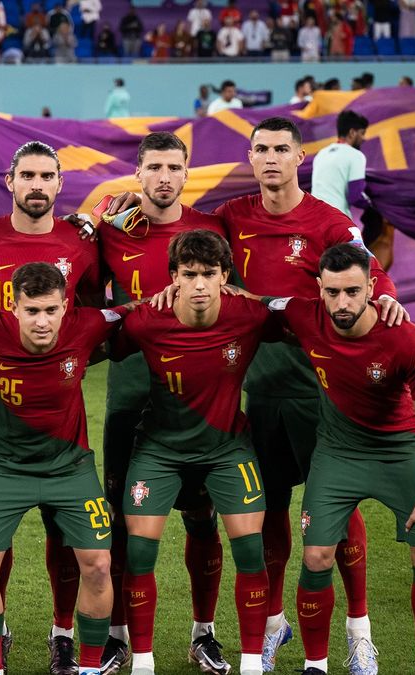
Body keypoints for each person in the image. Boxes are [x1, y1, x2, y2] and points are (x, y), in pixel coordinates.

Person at [214, 117, 408, 674]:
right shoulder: (232, 216)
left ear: (300, 157)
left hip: (321, 387)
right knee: (269, 509)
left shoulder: (327, 221)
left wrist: (389, 299)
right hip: (258, 386)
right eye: (260, 150)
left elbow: (369, 269)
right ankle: (275, 624)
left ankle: (359, 632)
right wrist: (110, 214)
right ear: (249, 158)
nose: (270, 158)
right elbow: (178, 234)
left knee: (337, 512)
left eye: (281, 149)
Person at [0, 142, 104, 675]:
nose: (35, 184)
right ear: (9, 180)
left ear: (58, 183)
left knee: (66, 533)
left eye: (45, 176)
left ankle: (63, 635)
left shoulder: (81, 242)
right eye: (25, 174)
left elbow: (93, 312)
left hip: (61, 399)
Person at [264, 244, 415, 675]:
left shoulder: (406, 337)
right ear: (319, 288)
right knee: (316, 558)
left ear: (372, 286)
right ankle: (316, 665)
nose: (342, 303)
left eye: (352, 291)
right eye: (332, 292)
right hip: (336, 453)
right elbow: (252, 302)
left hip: (396, 450)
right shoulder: (304, 314)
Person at [91, 133, 232, 675]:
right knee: (123, 519)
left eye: (175, 166)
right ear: (139, 172)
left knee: (202, 517)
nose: (165, 177)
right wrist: (94, 217)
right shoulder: (113, 230)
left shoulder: (210, 230)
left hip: (197, 401)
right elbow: (88, 305)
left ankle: (204, 634)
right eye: (154, 167)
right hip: (129, 394)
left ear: (187, 170)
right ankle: (117, 636)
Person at [0, 262, 127, 675]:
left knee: (99, 563)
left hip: (70, 468)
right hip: (4, 470)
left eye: (51, 310)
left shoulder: (88, 324)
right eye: (32, 311)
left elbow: (133, 310)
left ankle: (87, 666)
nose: (42, 321)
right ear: (13, 307)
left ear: (67, 307)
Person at [114, 229, 275, 675]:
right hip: (159, 450)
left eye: (209, 274)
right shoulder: (146, 320)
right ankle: (142, 662)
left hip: (227, 449)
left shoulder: (249, 315)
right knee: (140, 553)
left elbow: (304, 314)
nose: (200, 284)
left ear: (225, 276)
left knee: (250, 552)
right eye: (189, 274)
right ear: (173, 278)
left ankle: (249, 663)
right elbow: (95, 331)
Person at [311, 110, 370, 219]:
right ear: (352, 132)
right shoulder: (356, 155)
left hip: (313, 220)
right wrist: (375, 206)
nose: (364, 138)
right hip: (336, 221)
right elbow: (355, 197)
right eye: (362, 133)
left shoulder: (321, 154)